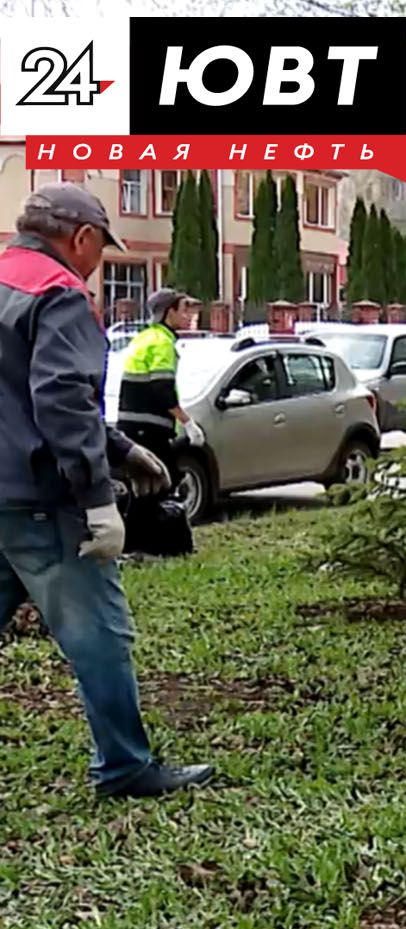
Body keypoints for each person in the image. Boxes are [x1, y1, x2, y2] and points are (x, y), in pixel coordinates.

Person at [1, 183, 210, 797]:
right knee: (100, 633)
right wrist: (97, 499)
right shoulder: (60, 293)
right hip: (43, 502)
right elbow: (62, 400)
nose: (97, 263)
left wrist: (120, 447)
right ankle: (123, 766)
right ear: (82, 238)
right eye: (100, 249)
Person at [116, 288, 204, 544]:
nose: (189, 315)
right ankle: (140, 543)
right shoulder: (161, 343)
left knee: (147, 484)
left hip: (134, 424)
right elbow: (162, 388)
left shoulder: (145, 338)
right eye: (183, 309)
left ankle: (138, 541)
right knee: (158, 481)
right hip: (148, 425)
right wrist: (187, 422)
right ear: (169, 312)